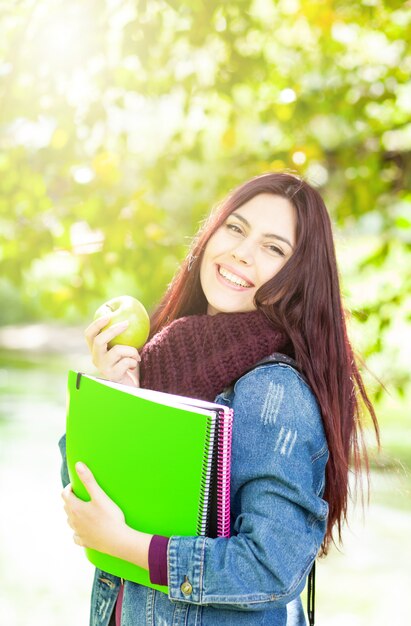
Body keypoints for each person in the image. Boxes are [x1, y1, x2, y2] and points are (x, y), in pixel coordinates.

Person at [60, 171, 379, 626]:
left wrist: (130, 547)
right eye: (236, 228)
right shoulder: (162, 354)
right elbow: (83, 496)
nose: (241, 253)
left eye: (273, 248)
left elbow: (270, 566)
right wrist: (116, 395)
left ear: (298, 277)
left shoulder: (275, 392)